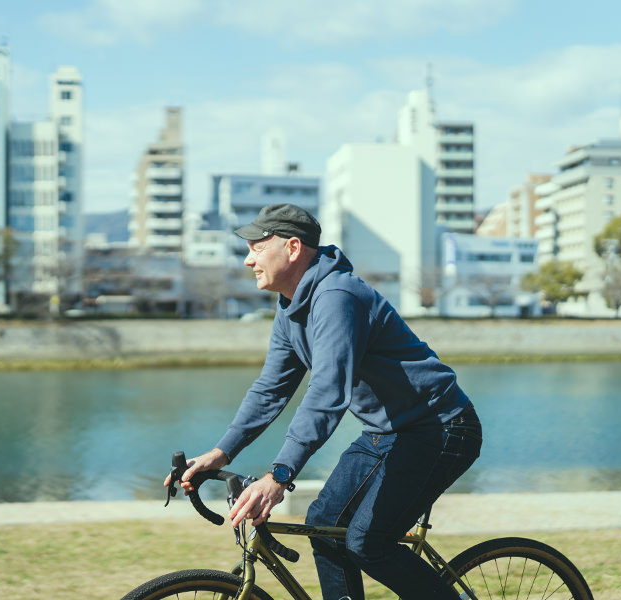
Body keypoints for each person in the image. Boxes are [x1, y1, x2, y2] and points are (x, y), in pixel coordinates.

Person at [168, 203, 482, 600]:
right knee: (324, 526)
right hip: (387, 431)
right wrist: (221, 452)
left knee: (369, 542)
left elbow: (329, 391)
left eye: (257, 248)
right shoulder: (291, 304)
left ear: (293, 248)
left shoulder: (337, 296)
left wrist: (279, 475)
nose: (248, 260)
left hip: (441, 427)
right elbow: (271, 388)